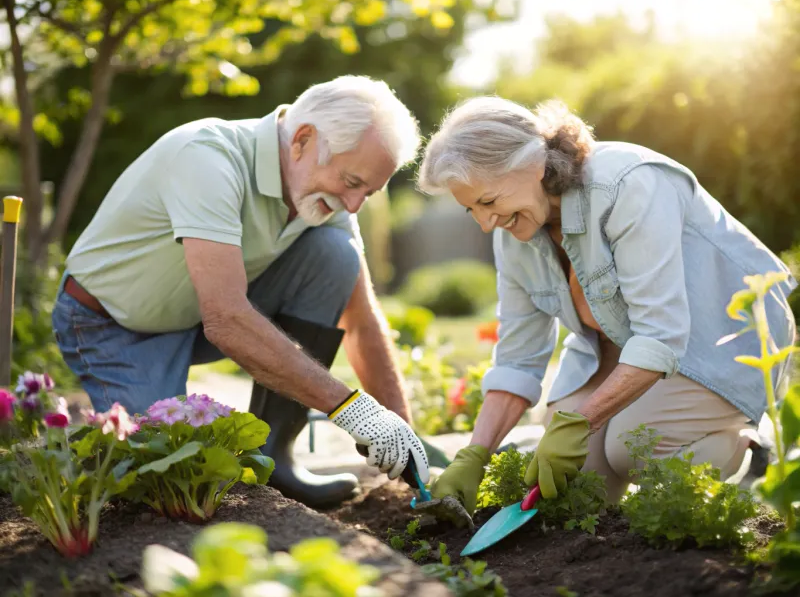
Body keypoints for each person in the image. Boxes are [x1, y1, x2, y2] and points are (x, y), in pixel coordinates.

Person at [52, 75, 430, 508]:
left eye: (369, 191)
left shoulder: (326, 197)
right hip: (116, 324)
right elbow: (227, 320)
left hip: (193, 315)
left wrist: (402, 433)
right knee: (175, 481)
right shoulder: (207, 158)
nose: (354, 204)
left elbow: (361, 321)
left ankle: (277, 458)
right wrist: (355, 411)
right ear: (302, 140)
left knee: (336, 253)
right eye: (351, 181)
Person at [417, 96, 797, 512]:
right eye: (470, 208)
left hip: (726, 339)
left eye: (488, 202)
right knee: (577, 481)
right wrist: (475, 454)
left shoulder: (628, 184)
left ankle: (741, 445)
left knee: (629, 446)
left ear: (532, 164)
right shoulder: (513, 235)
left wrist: (581, 421)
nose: (486, 222)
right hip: (625, 347)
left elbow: (660, 333)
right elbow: (517, 359)